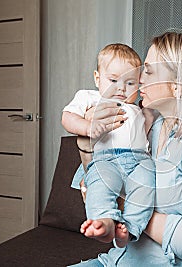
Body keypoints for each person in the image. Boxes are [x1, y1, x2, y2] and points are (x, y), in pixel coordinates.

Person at [70, 32, 182, 266]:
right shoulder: (146, 123)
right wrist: (86, 144)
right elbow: (97, 180)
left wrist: (121, 208)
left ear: (177, 85)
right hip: (115, 260)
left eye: (149, 71)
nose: (139, 78)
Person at [62, 43, 155, 248]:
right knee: (100, 185)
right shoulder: (90, 97)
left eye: (130, 83)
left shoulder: (140, 107)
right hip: (107, 159)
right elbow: (67, 117)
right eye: (113, 80)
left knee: (147, 185)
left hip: (141, 160)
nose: (121, 88)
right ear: (97, 78)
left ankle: (130, 229)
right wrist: (87, 127)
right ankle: (104, 221)